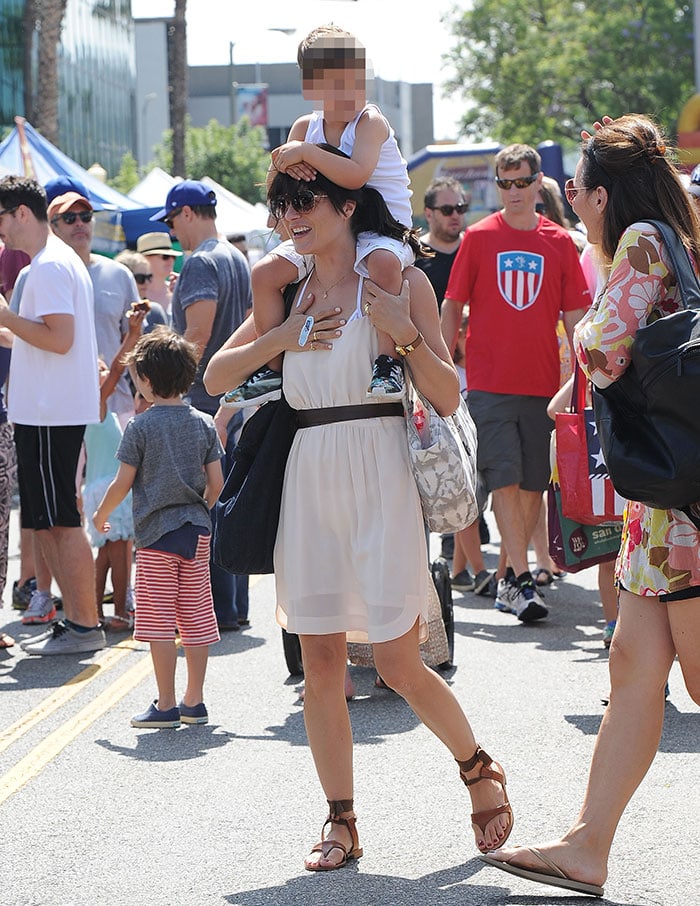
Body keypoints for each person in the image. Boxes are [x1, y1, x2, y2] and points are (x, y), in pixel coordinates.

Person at [205, 156, 514, 871]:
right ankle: (341, 819)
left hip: (380, 474)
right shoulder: (288, 293)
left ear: (349, 207)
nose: (291, 217)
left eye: (305, 201)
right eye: (282, 204)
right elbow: (216, 377)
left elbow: (446, 394)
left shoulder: (399, 281)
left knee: (400, 662)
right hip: (309, 478)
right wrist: (282, 338)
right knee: (320, 663)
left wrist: (403, 331)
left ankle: (478, 768)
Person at [480, 114, 700, 899]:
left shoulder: (640, 240)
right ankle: (586, 845)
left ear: (603, 194)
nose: (571, 200)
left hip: (684, 511)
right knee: (634, 669)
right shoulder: (677, 235)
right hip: (664, 502)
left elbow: (604, 345)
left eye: (577, 188)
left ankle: (585, 845)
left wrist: (584, 357)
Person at [222, 23, 414, 408]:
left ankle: (387, 361)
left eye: (356, 80)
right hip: (327, 233)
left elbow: (356, 174)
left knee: (382, 264)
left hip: (382, 228)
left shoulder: (370, 123)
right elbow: (277, 178)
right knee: (263, 273)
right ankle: (271, 370)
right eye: (337, 83)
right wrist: (282, 164)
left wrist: (306, 154)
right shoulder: (304, 127)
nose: (350, 92)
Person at [441, 143, 591, 622]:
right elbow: (452, 305)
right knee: (503, 475)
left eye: (521, 182)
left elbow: (577, 317)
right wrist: (442, 369)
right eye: (504, 184)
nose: (513, 192)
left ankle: (508, 576)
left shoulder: (561, 242)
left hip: (543, 382)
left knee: (532, 484)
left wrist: (587, 376)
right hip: (488, 381)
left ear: (536, 182)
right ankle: (522, 579)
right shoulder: (479, 237)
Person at [93, 328, 224, 728]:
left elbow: (123, 482)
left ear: (147, 381)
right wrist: (199, 510)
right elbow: (217, 484)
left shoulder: (141, 428)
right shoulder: (203, 423)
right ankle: (194, 701)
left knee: (159, 621)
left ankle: (165, 704)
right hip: (196, 533)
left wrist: (101, 516)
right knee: (197, 615)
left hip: (155, 538)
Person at [0, 175, 105, 656]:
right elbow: (41, 336)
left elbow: (58, 338)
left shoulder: (47, 265)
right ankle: (79, 622)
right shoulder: (51, 262)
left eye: (2, 219)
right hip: (49, 410)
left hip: (49, 412)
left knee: (59, 520)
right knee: (49, 519)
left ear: (22, 213)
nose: (2, 233)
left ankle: (84, 624)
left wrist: (4, 316)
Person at [149, 179, 251, 633]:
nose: (174, 233)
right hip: (235, 398)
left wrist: (165, 389)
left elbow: (199, 333)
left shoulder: (201, 261)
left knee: (204, 506)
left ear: (187, 213)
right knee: (229, 500)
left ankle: (214, 609)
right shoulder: (235, 256)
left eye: (173, 222)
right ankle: (232, 606)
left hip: (205, 402)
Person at [47, 190, 139, 429]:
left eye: (86, 216)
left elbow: (136, 340)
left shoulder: (118, 274)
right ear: (52, 227)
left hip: (116, 405)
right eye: (69, 218)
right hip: (58, 408)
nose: (79, 223)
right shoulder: (36, 276)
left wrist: (147, 393)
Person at [415, 176, 469, 311]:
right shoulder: (414, 255)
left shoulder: (475, 247)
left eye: (460, 208)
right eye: (447, 210)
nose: (455, 215)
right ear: (428, 214)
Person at [114, 249, 168, 332]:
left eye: (149, 277)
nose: (146, 283)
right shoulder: (110, 312)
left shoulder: (154, 312)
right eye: (140, 278)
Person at [135, 231, 182, 315]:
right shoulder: (134, 291)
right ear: (145, 258)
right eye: (165, 257)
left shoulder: (177, 291)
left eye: (173, 257)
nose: (171, 261)